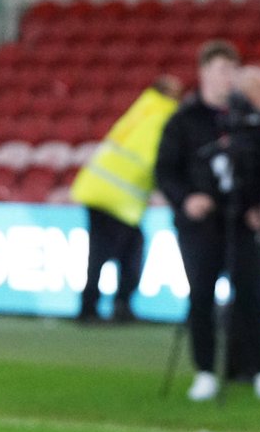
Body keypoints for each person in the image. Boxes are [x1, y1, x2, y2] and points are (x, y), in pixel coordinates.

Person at [155, 39, 260, 403]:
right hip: (202, 224)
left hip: (243, 220)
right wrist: (186, 199)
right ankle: (205, 370)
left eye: (231, 71)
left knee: (252, 294)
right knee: (202, 295)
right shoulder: (183, 120)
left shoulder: (249, 118)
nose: (227, 78)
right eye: (221, 70)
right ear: (204, 72)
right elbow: (165, 171)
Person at [69, 74, 182, 323]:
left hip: (97, 188)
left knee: (106, 252)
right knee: (124, 252)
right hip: (119, 196)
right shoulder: (162, 116)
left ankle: (96, 306)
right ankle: (110, 306)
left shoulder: (141, 109)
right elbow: (155, 158)